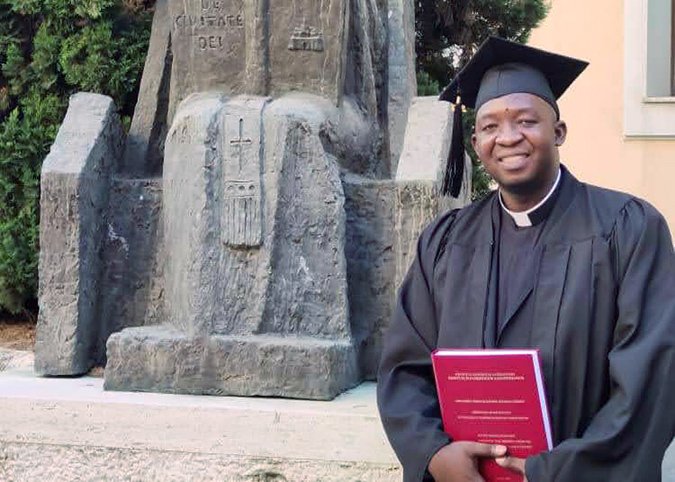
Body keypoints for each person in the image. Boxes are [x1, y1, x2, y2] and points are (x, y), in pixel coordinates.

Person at [377, 37, 675, 482]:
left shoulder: (628, 229)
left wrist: (553, 470)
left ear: (558, 132)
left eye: (525, 120)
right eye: (490, 125)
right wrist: (435, 453)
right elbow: (405, 366)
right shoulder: (445, 242)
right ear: (475, 141)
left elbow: (651, 380)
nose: (508, 137)